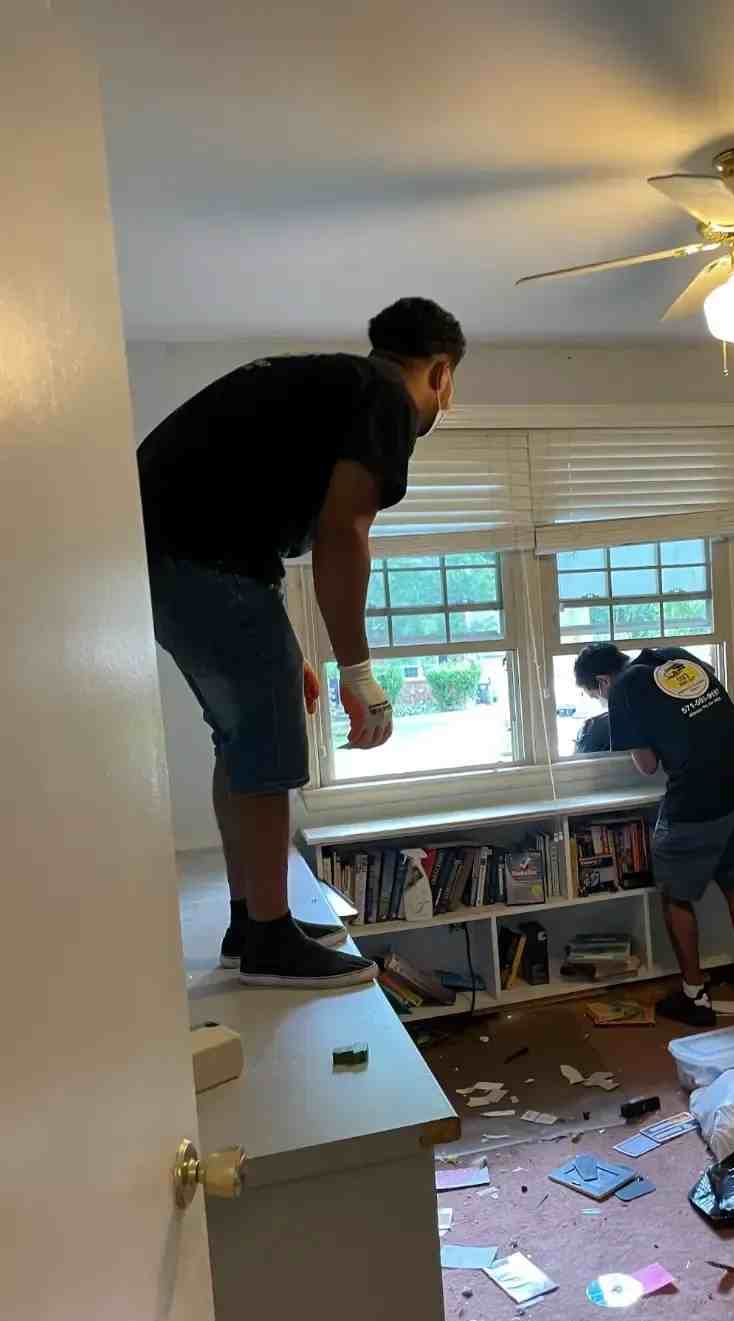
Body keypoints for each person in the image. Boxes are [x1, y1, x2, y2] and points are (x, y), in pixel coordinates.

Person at [139, 298, 466, 988]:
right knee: (266, 743)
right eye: (450, 387)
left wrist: (289, 658)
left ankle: (253, 921)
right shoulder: (384, 400)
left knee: (243, 737)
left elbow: (267, 536)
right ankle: (267, 942)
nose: (447, 403)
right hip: (196, 558)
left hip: (172, 556)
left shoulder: (330, 386)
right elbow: (345, 531)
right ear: (440, 371)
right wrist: (359, 673)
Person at [573, 642, 734, 1026]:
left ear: (602, 680)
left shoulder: (623, 690)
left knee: (676, 895)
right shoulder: (674, 655)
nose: (600, 700)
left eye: (595, 695)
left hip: (699, 798)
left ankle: (695, 995)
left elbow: (647, 766)